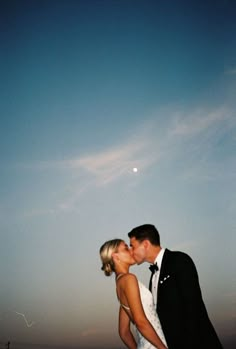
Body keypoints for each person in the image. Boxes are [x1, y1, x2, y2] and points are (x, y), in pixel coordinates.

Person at [128, 224, 223, 349]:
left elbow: (193, 308)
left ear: (145, 244)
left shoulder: (179, 260)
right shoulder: (153, 276)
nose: (131, 251)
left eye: (132, 246)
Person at [100, 238, 168, 349]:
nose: (131, 251)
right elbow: (140, 321)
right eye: (126, 248)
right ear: (115, 256)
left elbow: (123, 331)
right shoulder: (128, 279)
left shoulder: (120, 284)